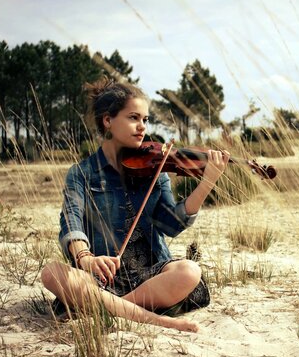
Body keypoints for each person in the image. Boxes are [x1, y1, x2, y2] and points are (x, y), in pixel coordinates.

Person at [41, 77, 229, 333]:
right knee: (51, 272)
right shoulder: (81, 173)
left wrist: (206, 184)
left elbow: (170, 225)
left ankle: (109, 308)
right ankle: (157, 319)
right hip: (102, 277)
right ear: (108, 120)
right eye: (133, 118)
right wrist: (86, 259)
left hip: (150, 275)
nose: (142, 127)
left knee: (189, 270)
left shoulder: (157, 168)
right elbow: (71, 220)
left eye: (146, 120)